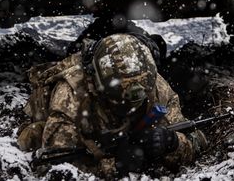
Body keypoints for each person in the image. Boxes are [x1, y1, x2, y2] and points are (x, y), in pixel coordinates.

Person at [17, 32, 207, 176]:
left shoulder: (156, 87)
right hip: (74, 129)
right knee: (31, 137)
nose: (131, 107)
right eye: (122, 102)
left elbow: (198, 141)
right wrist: (114, 166)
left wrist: (172, 142)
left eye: (139, 98)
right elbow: (55, 167)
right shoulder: (71, 95)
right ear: (97, 86)